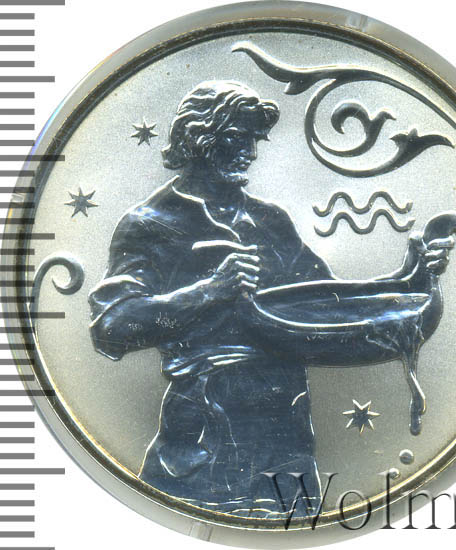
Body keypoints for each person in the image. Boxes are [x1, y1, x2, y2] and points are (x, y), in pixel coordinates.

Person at [88, 81, 333, 517]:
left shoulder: (270, 220)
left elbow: (328, 304)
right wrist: (209, 291)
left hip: (285, 443)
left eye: (254, 140)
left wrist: (414, 275)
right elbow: (112, 328)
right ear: (198, 137)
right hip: (201, 444)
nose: (250, 153)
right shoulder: (150, 223)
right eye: (238, 138)